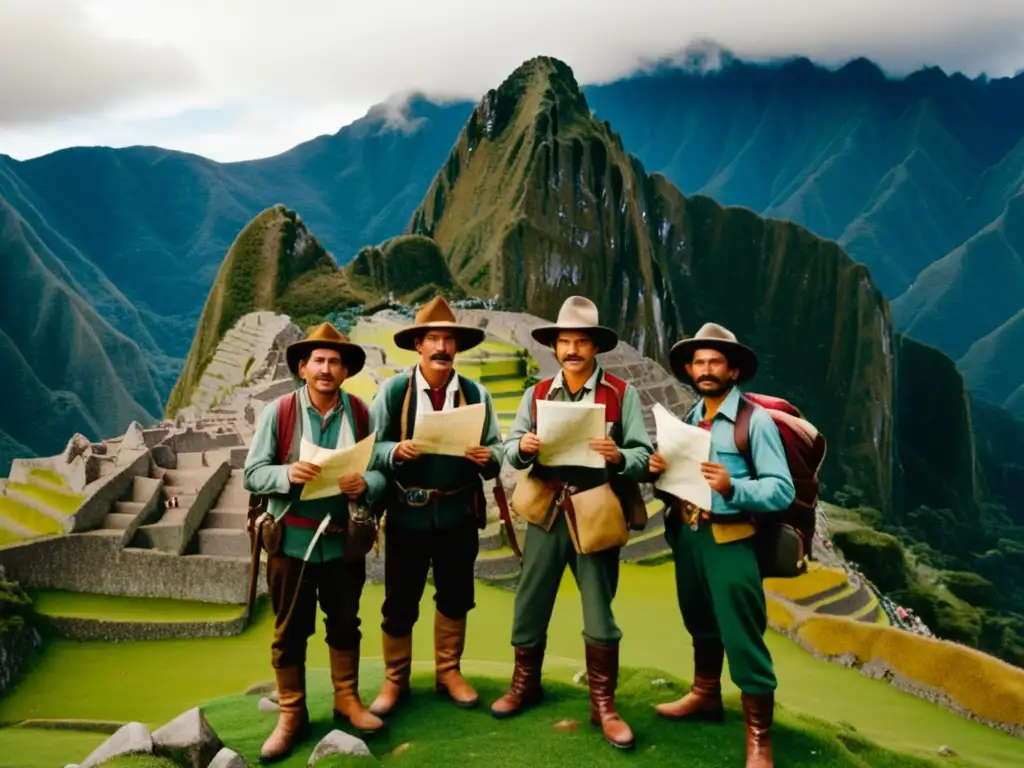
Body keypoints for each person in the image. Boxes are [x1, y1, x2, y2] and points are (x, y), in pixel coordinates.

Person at [492, 296, 653, 750]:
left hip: (596, 509)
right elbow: (509, 450)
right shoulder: (537, 394)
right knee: (530, 600)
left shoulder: (622, 395)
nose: (572, 350)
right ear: (555, 347)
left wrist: (618, 455)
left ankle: (604, 703)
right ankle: (525, 685)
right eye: (565, 342)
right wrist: (525, 446)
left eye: (581, 342)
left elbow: (644, 457)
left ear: (595, 347)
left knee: (599, 611)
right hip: (546, 509)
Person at [649, 322, 795, 768]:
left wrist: (734, 486)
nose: (706, 369)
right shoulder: (692, 417)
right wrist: (659, 467)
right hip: (690, 535)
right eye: (699, 362)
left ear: (733, 370)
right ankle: (705, 695)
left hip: (731, 538)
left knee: (742, 635)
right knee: (701, 622)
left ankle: (758, 739)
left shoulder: (755, 422)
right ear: (690, 369)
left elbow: (781, 489)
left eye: (716, 362)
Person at [243, 322, 385, 762]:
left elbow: (381, 472)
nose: (326, 369)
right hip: (292, 544)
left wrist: (365, 483)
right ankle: (292, 713)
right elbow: (252, 473)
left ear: (345, 371)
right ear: (303, 368)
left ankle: (347, 700)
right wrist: (287, 474)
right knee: (289, 631)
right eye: (318, 361)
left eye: (335, 361)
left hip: (343, 544)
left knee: (345, 623)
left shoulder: (361, 414)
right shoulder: (279, 413)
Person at [367, 296, 504, 716]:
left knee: (457, 595)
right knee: (400, 599)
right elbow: (370, 448)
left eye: (448, 339)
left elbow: (498, 446)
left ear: (457, 347)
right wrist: (395, 452)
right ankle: (396, 680)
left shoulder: (476, 393)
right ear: (418, 346)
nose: (441, 347)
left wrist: (489, 457)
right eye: (433, 338)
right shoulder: (393, 392)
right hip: (408, 512)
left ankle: (449, 671)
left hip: (458, 512)